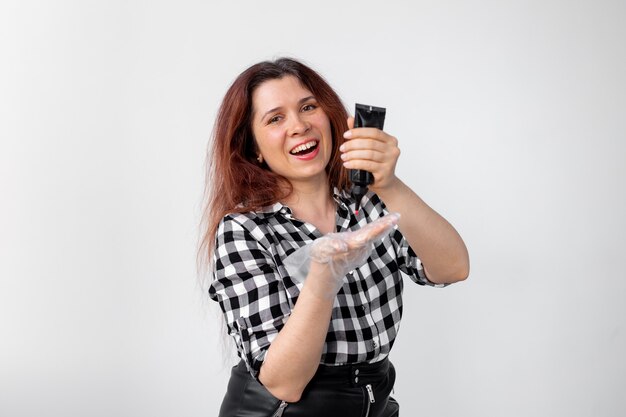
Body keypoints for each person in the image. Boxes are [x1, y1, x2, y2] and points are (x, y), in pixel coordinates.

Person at [198, 57, 469, 417]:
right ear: (254, 150)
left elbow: (453, 267)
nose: (299, 126)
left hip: (373, 404)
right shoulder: (244, 229)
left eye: (308, 107)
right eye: (275, 118)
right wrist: (323, 277)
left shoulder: (372, 203)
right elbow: (284, 383)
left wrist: (388, 183)